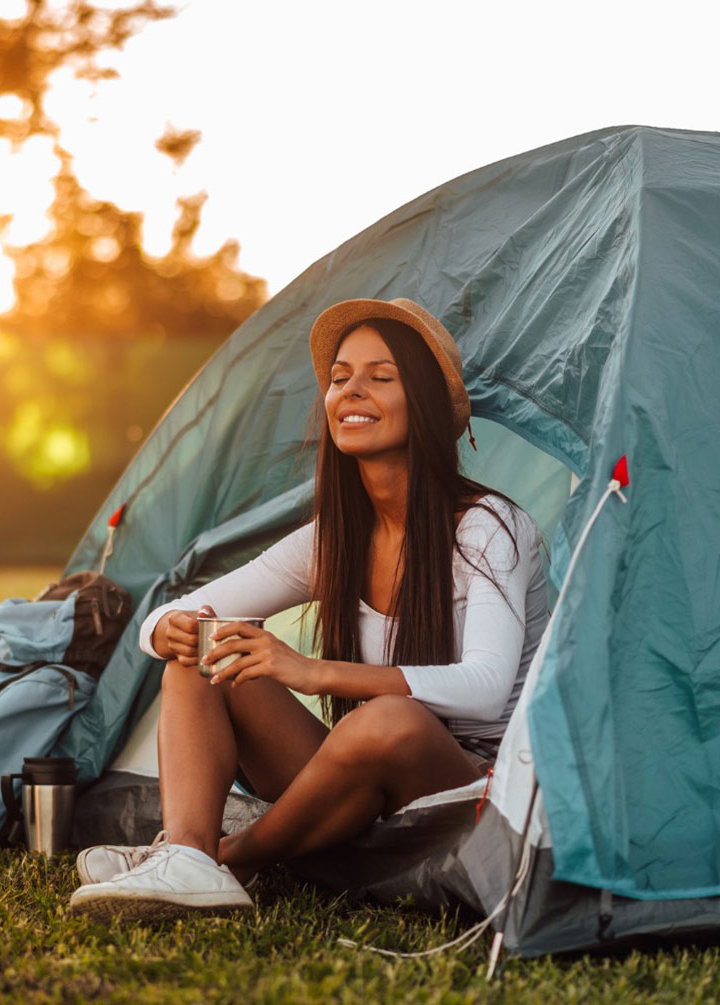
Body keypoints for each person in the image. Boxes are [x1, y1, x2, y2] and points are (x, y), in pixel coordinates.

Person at [68, 298, 550, 921]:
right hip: (353, 774)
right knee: (206, 653)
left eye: (381, 376)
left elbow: (485, 690)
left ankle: (227, 859)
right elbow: (179, 612)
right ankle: (187, 856)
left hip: (467, 785)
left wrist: (312, 671)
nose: (352, 390)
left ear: (426, 404)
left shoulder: (488, 528)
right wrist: (171, 631)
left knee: (389, 721)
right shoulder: (336, 538)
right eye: (341, 377)